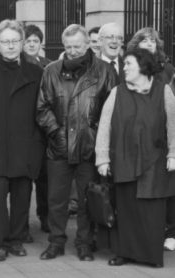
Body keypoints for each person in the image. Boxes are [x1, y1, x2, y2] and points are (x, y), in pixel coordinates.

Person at [36, 24, 117, 261]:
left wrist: (97, 138)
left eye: (77, 46)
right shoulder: (50, 71)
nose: (72, 51)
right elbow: (42, 108)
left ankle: (84, 243)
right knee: (56, 199)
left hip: (89, 146)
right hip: (59, 147)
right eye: (68, 47)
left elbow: (112, 110)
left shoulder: (104, 71)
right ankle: (56, 242)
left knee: (86, 199)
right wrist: (57, 133)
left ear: (88, 45)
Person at [0, 19, 44, 262]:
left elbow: (43, 109)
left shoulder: (36, 73)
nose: (10, 46)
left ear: (22, 43)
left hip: (25, 144)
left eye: (15, 41)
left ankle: (16, 240)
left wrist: (37, 140)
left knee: (22, 196)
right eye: (5, 41)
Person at [95, 48, 175, 267]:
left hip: (155, 161)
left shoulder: (163, 91)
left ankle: (150, 255)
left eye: (129, 63)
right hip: (124, 159)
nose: (125, 68)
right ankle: (125, 253)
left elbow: (173, 125)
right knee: (127, 208)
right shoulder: (117, 92)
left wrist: (173, 153)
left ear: (143, 66)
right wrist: (102, 158)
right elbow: (104, 127)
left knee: (151, 209)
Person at [22, 24, 51, 235]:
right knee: (22, 179)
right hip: (23, 128)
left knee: (44, 178)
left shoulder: (49, 66)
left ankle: (45, 215)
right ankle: (20, 220)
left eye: (35, 41)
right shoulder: (17, 64)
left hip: (42, 130)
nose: (32, 44)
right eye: (28, 41)